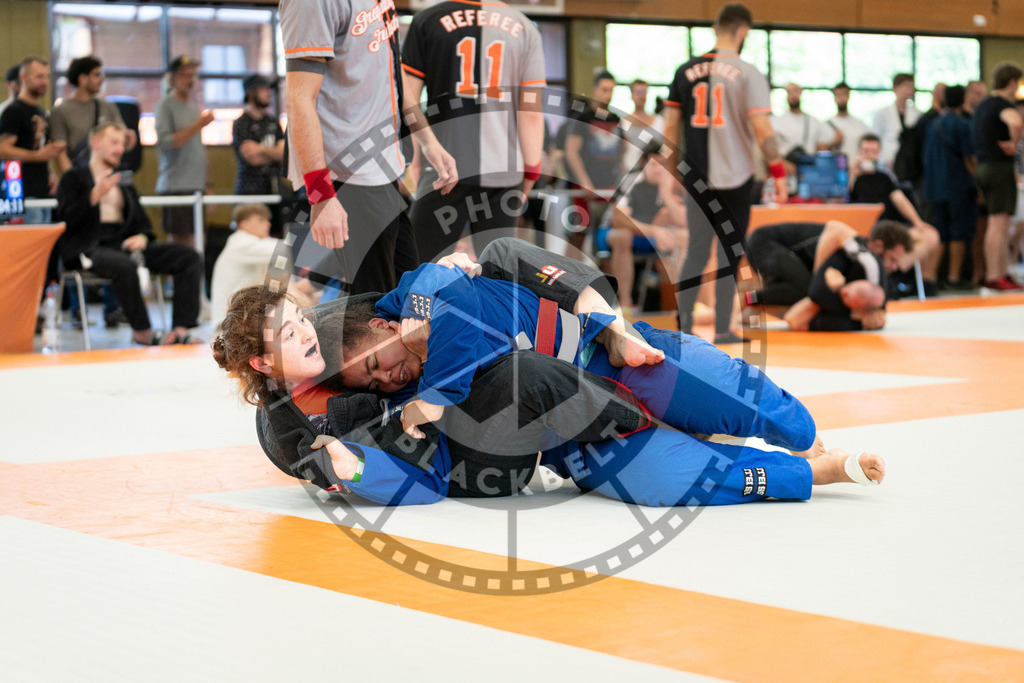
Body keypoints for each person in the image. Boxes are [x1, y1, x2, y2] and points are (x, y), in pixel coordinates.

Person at [216, 242, 883, 507]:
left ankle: (805, 436)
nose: (390, 380)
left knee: (731, 395)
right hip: (582, 436)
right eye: (379, 385)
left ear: (388, 329)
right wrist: (352, 469)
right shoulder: (388, 396)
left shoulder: (425, 293)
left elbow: (453, 290)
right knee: (680, 482)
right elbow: (418, 467)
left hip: (622, 358)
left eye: (384, 367)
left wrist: (614, 328)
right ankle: (810, 472)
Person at [279, 0, 439, 296]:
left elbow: (393, 70)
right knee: (372, 308)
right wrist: (321, 196)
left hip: (382, 167)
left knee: (404, 296)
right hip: (346, 170)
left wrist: (429, 142)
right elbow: (298, 99)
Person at [663, 3, 788, 344]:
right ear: (743, 30)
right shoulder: (748, 72)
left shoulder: (684, 69)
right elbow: (762, 128)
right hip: (737, 177)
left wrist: (674, 173)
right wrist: (779, 173)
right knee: (729, 253)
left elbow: (671, 126)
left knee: (696, 253)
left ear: (717, 28)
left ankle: (682, 328)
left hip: (697, 176)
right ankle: (721, 328)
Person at [400, 0, 546, 261]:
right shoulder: (525, 28)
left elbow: (406, 100)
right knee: (496, 275)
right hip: (504, 170)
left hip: (443, 167)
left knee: (418, 268)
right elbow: (532, 114)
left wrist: (418, 157)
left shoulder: (427, 19)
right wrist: (531, 172)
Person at [56, 122, 203, 345]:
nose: (120, 149)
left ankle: (181, 328)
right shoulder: (73, 178)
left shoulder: (124, 182)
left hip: (122, 242)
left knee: (188, 257)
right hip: (88, 246)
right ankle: (142, 331)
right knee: (124, 264)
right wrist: (94, 196)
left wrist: (142, 237)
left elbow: (142, 222)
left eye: (123, 144)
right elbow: (65, 220)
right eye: (114, 142)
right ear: (95, 143)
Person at [746, 219, 912, 328]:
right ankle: (747, 299)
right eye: (892, 259)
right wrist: (818, 277)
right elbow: (834, 227)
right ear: (877, 245)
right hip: (765, 242)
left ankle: (752, 302)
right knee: (809, 290)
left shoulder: (860, 263)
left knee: (811, 295)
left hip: (783, 252)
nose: (895, 267)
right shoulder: (860, 252)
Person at [849, 133, 941, 296]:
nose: (870, 155)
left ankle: (897, 271)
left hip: (889, 229)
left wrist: (917, 222)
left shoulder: (885, 177)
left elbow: (900, 200)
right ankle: (886, 275)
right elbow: (841, 201)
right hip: (864, 231)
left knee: (930, 235)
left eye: (873, 151)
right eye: (866, 151)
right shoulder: (850, 178)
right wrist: (851, 176)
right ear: (858, 152)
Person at [601, 158, 687, 312]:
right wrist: (654, 231)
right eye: (655, 164)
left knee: (684, 236)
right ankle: (625, 304)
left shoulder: (671, 181)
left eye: (664, 164)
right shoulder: (632, 179)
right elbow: (619, 220)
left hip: (651, 234)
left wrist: (666, 195)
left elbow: (682, 220)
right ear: (644, 163)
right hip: (613, 231)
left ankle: (683, 303)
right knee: (623, 236)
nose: (659, 169)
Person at [972, 62, 1024, 291]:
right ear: (1012, 82)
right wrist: (1015, 144)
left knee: (996, 223)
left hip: (983, 165)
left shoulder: (983, 105)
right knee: (999, 224)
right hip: (998, 166)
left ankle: (1000, 272)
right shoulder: (1002, 104)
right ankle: (995, 275)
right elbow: (1016, 122)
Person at [921, 85, 977, 291]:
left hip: (934, 187)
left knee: (940, 232)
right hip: (957, 186)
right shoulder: (963, 125)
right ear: (963, 100)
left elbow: (925, 156)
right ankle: (953, 277)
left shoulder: (932, 125)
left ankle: (933, 277)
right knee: (958, 233)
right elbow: (969, 159)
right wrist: (977, 186)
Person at [155, 55, 214, 249]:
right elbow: (166, 142)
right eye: (185, 75)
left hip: (196, 185)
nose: (190, 80)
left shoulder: (193, 106)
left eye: (193, 75)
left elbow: (199, 150)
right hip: (176, 185)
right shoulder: (165, 106)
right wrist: (198, 125)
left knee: (199, 243)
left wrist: (208, 186)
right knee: (181, 246)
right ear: (172, 78)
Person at [210, 203, 297, 331]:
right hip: (230, 323)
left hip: (237, 318)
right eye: (261, 220)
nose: (268, 224)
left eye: (268, 220)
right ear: (244, 224)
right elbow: (284, 248)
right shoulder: (241, 242)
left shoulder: (253, 249)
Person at [0, 56, 65, 225]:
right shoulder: (13, 112)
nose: (44, 81)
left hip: (42, 189)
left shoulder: (40, 112)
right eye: (39, 76)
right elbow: (3, 149)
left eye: (47, 76)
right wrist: (38, 156)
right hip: (22, 192)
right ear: (23, 77)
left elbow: (40, 147)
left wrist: (50, 173)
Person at [563, 70, 623, 250]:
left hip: (609, 185)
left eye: (611, 90)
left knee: (605, 237)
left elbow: (621, 152)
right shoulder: (583, 118)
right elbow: (571, 151)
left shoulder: (616, 119)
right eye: (604, 90)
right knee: (578, 232)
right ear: (595, 90)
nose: (607, 94)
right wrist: (584, 181)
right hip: (584, 187)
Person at [50, 56, 135, 174]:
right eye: (96, 75)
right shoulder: (60, 111)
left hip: (107, 174)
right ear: (83, 78)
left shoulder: (107, 107)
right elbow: (60, 152)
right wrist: (72, 181)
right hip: (78, 173)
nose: (101, 79)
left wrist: (129, 138)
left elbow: (123, 142)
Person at [231, 74, 285, 237]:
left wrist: (260, 149)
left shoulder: (272, 121)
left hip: (274, 189)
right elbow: (251, 157)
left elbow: (283, 154)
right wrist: (272, 152)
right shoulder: (241, 123)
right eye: (263, 89)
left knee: (276, 237)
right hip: (250, 191)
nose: (268, 92)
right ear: (251, 93)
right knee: (251, 237)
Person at [773, 83, 842, 191]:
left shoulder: (813, 121)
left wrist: (835, 141)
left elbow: (821, 146)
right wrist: (782, 164)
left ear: (801, 92)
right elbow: (770, 149)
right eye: (789, 92)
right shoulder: (776, 121)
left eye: (795, 91)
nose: (792, 95)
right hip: (785, 171)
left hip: (808, 172)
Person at [871, 73, 919, 171]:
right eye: (906, 86)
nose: (910, 90)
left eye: (911, 87)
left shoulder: (917, 114)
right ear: (895, 88)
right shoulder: (882, 113)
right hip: (887, 163)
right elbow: (875, 139)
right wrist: (883, 159)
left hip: (908, 164)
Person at [620, 78, 665, 178]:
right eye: (639, 92)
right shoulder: (623, 123)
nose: (642, 96)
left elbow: (666, 151)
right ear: (631, 94)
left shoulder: (660, 121)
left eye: (644, 92)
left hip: (655, 177)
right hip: (631, 176)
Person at [828, 82, 871, 167]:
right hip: (836, 169)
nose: (841, 98)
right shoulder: (826, 125)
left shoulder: (860, 124)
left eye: (844, 94)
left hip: (857, 169)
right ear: (834, 97)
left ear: (849, 96)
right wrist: (834, 143)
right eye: (838, 95)